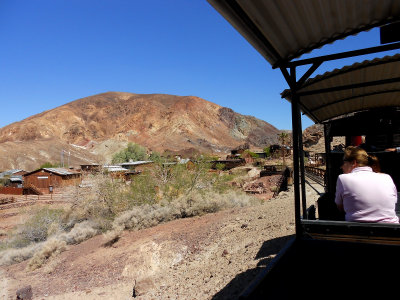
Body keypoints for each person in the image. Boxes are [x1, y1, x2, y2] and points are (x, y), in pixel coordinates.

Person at [335, 146, 399, 223]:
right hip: (391, 229)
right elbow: (393, 202)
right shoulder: (387, 177)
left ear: (353, 163)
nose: (341, 167)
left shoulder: (343, 178)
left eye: (343, 162)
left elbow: (340, 207)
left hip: (358, 230)